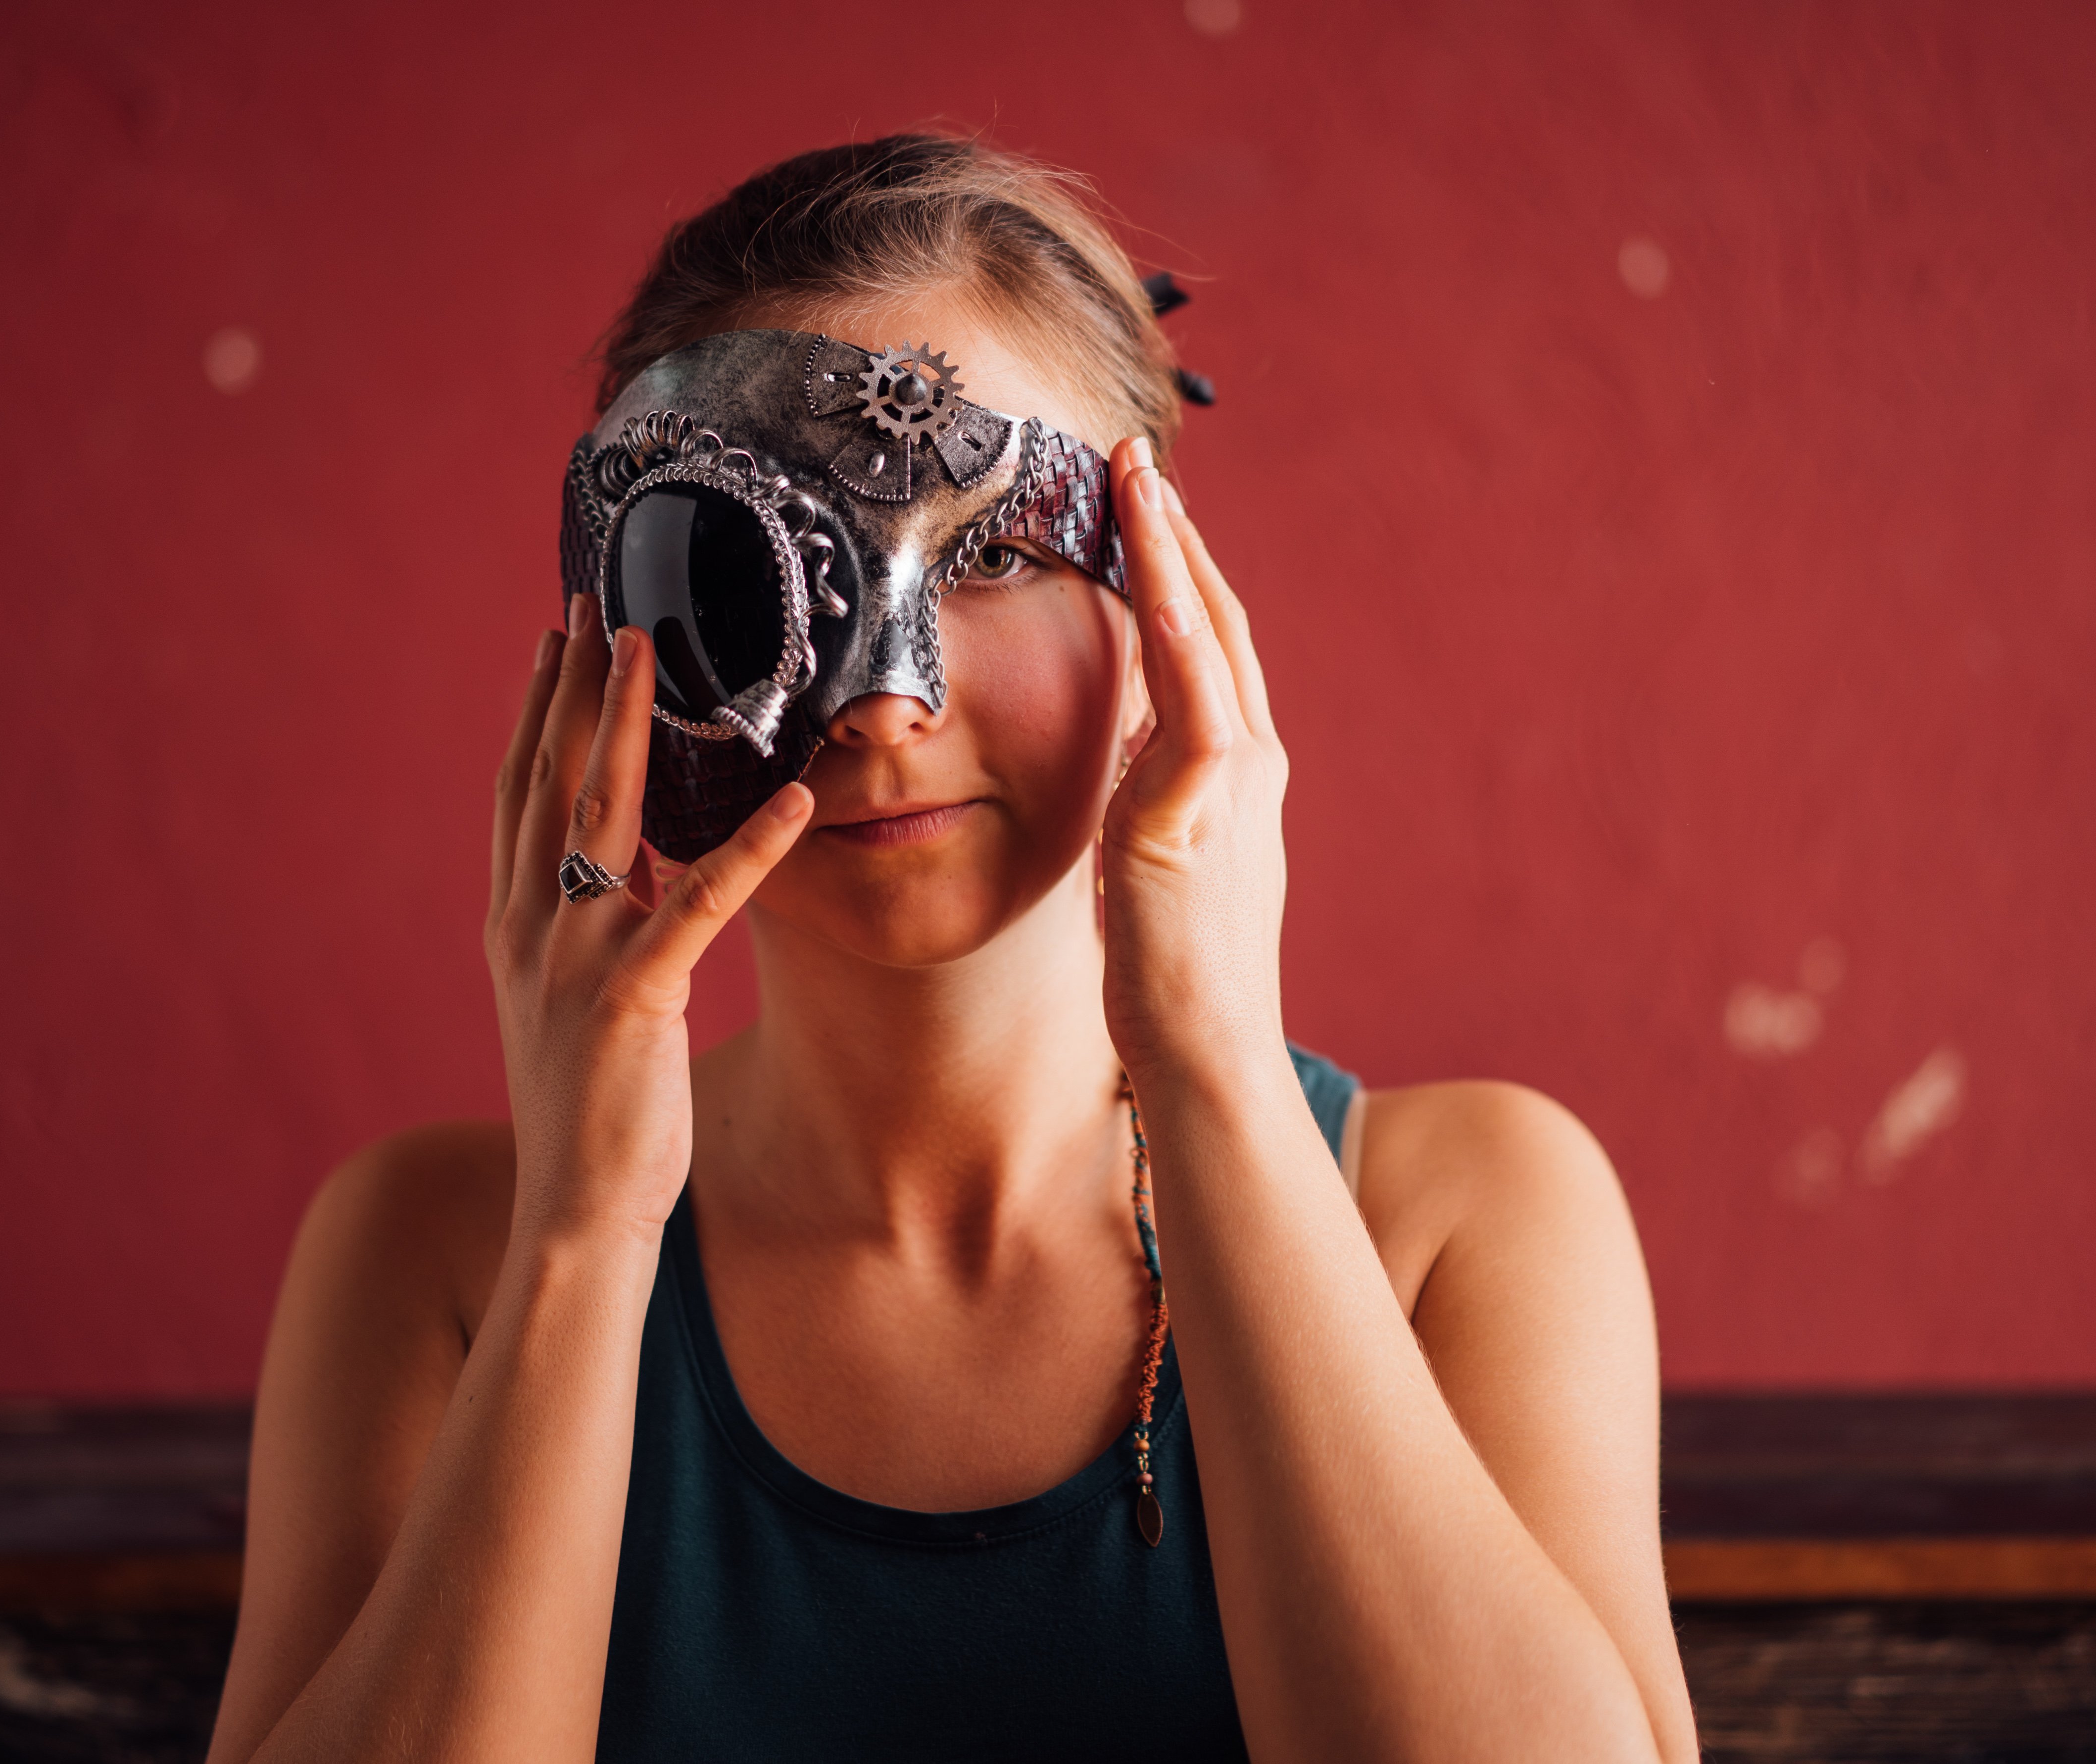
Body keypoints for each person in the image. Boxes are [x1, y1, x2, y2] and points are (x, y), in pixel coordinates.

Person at [206, 135, 1700, 1764]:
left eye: (990, 554)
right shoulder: (437, 1254)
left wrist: (1207, 1055)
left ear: (1161, 592)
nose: (885, 702)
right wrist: (582, 1238)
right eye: (749, 570)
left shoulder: (1464, 1211)